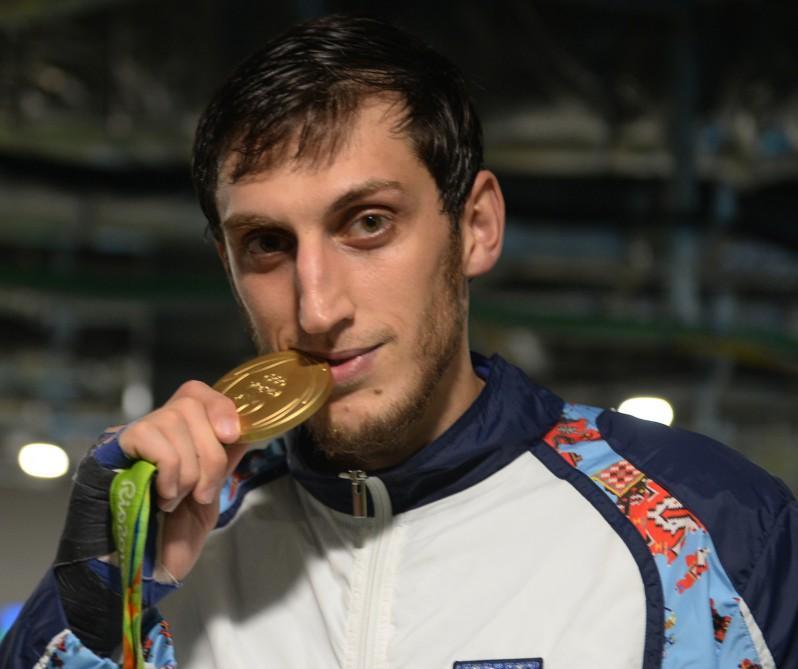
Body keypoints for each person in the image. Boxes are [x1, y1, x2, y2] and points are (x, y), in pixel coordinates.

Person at [1, 14, 796, 669]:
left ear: (475, 226)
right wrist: (98, 619)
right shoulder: (166, 560)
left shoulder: (714, 535)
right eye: (268, 244)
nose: (317, 308)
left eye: (369, 223)